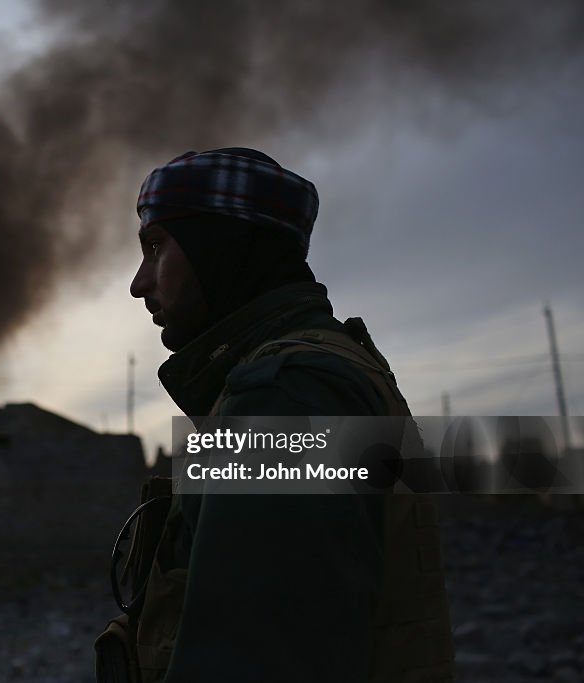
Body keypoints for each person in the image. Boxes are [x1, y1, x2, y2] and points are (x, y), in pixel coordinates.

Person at [96, 148, 455, 682]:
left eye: (155, 247)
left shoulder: (284, 394)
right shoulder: (321, 370)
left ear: (219, 248)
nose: (139, 282)